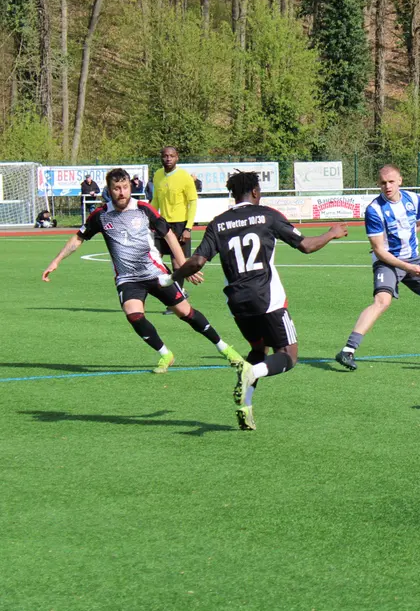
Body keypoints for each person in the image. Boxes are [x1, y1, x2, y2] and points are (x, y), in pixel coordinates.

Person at [172, 171, 348, 431]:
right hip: (268, 300)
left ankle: (246, 407)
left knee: (257, 351)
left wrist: (173, 276)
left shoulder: (218, 223)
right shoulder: (267, 215)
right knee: (288, 356)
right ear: (255, 192)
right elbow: (306, 246)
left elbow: (197, 261)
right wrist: (331, 233)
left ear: (234, 194)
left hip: (237, 303)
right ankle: (252, 372)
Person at [41, 167, 239, 373]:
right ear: (109, 190)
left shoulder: (144, 209)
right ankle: (165, 354)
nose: (122, 192)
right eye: (116, 188)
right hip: (127, 278)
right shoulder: (100, 215)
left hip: (155, 274)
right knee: (133, 314)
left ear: (130, 187)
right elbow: (78, 238)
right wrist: (56, 261)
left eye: (125, 187)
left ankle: (224, 349)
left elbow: (169, 235)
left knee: (185, 313)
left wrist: (183, 265)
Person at [335, 165, 420, 370]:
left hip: (413, 258)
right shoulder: (374, 210)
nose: (387, 186)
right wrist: (407, 267)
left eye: (391, 181)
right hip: (387, 262)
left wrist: (409, 250)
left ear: (400, 181)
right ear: (378, 184)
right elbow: (378, 250)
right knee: (382, 301)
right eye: (383, 183)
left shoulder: (413, 200)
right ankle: (347, 350)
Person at [150, 146, 198, 305]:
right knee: (153, 258)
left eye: (171, 156)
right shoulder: (157, 175)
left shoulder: (184, 176)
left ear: (177, 158)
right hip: (161, 224)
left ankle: (177, 299)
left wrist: (188, 228)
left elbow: (193, 202)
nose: (168, 159)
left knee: (178, 263)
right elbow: (155, 200)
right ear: (161, 158)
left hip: (180, 224)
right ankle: (179, 290)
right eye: (165, 156)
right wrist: (149, 219)